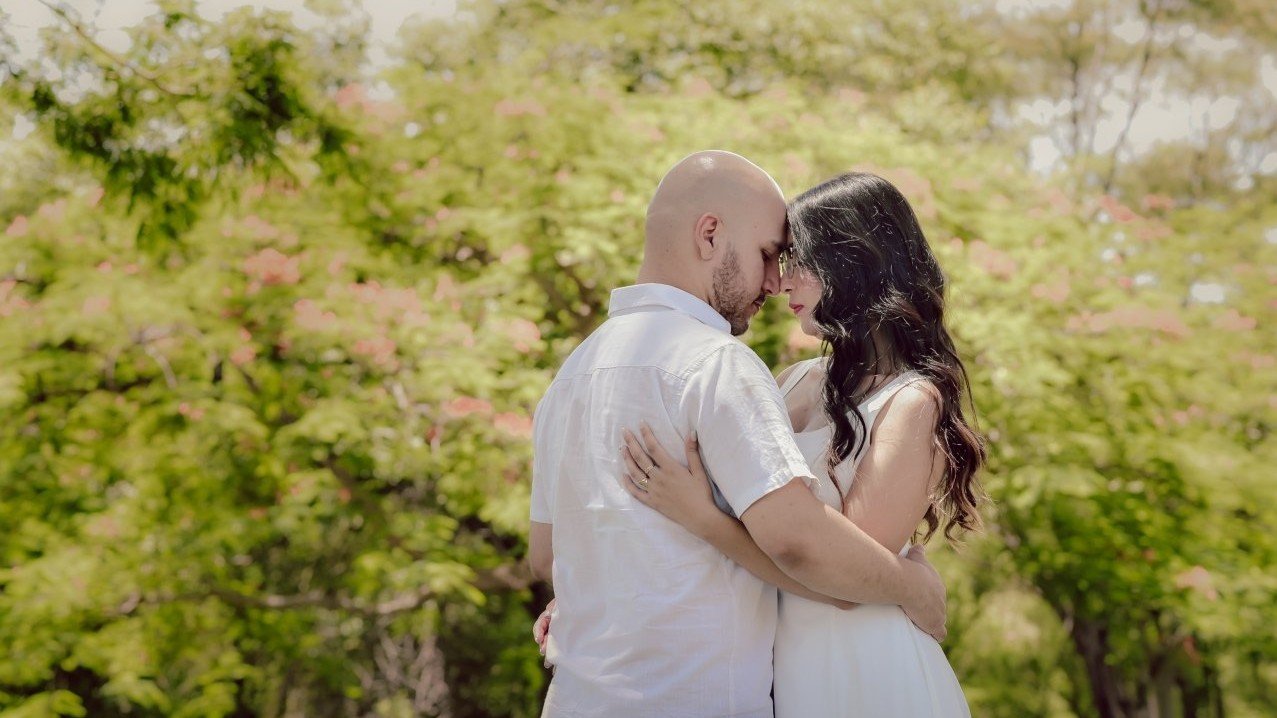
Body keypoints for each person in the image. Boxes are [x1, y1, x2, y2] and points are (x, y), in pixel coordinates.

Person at [527, 152, 948, 718]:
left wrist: (591, 598)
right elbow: (804, 548)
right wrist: (913, 587)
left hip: (590, 699)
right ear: (709, 235)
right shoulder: (720, 365)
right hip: (695, 698)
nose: (777, 282)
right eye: (770, 254)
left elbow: (547, 554)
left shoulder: (572, 374)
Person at [617, 171, 985, 716]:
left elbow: (844, 575)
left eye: (801, 261)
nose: (783, 282)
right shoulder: (793, 381)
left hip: (863, 666)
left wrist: (702, 517)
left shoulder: (913, 401)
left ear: (856, 261)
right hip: (779, 665)